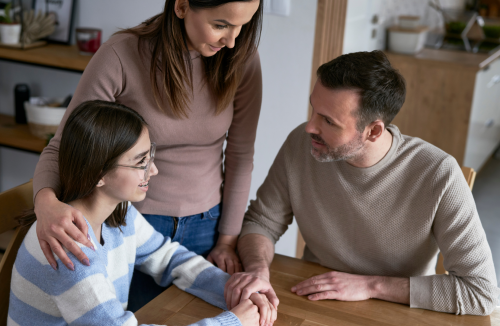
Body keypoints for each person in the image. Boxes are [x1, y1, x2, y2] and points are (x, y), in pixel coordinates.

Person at [224, 50, 500, 316]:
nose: (310, 127)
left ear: (373, 131)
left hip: (396, 312)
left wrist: (371, 285)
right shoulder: (301, 143)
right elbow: (261, 222)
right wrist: (257, 269)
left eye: (328, 121)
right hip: (312, 297)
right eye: (313, 110)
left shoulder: (438, 174)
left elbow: (482, 291)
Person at [32, 0, 265, 311]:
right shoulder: (122, 54)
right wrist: (45, 203)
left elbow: (240, 155)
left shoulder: (240, 58)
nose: (233, 40)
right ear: (181, 6)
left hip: (209, 226)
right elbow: (64, 146)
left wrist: (227, 240)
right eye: (221, 25)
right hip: (130, 223)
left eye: (243, 26)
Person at [9, 100, 277, 326]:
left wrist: (234, 289)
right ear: (98, 174)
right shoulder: (69, 248)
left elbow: (169, 257)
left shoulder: (119, 213)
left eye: (150, 156)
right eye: (140, 162)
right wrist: (232, 321)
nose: (153, 170)